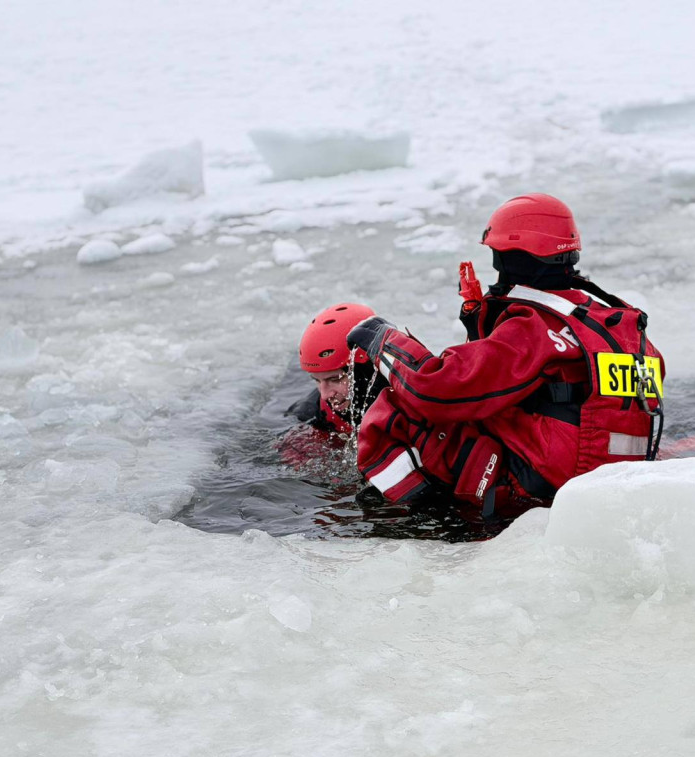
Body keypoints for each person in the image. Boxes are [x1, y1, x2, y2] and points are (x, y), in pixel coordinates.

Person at [347, 193, 665, 519]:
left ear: (512, 258)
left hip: (541, 488)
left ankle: (421, 516)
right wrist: (480, 321)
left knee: (396, 406)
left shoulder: (535, 325)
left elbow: (437, 388)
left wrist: (384, 341)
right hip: (619, 476)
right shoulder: (618, 323)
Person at [278, 302, 387, 466]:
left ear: (368, 369)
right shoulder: (309, 415)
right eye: (316, 380)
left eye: (335, 379)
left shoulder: (411, 399)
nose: (325, 394)